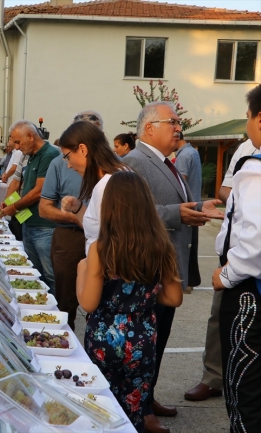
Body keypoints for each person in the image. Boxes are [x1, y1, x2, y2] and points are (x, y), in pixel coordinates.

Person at [122, 101, 223, 433]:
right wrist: (178, 213)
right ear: (150, 127)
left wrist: (197, 206)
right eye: (173, 122)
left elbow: (167, 203)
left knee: (160, 338)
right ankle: (138, 409)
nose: (179, 127)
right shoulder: (134, 162)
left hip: (168, 268)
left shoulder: (167, 162)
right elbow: (133, 213)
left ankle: (147, 397)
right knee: (146, 341)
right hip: (149, 268)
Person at [78, 171, 183, 432]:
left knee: (100, 405)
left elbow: (88, 303)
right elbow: (174, 297)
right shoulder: (161, 246)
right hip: (142, 337)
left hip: (104, 336)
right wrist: (143, 295)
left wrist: (82, 271)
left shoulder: (100, 249)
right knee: (133, 409)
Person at [184, 137, 259, 403]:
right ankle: (215, 377)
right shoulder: (247, 148)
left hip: (247, 258)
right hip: (235, 257)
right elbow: (225, 189)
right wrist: (243, 194)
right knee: (221, 318)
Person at [212, 85, 261, 432]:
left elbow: (254, 242)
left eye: (248, 118)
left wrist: (226, 276)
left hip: (250, 293)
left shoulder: (255, 173)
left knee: (246, 388)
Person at [39, 111, 103, 330]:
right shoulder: (59, 163)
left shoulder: (116, 172)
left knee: (101, 300)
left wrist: (86, 218)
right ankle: (67, 342)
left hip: (103, 241)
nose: (69, 164)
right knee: (66, 298)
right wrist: (78, 217)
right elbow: (44, 209)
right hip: (70, 238)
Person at [0, 120, 59, 291]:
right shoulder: (29, 156)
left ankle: (58, 310)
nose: (16, 147)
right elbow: (19, 184)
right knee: (36, 272)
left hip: (44, 226)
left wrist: (13, 208)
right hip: (30, 223)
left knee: (50, 275)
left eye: (18, 142)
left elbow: (39, 191)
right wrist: (6, 205)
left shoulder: (49, 154)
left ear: (31, 136)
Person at [58, 121, 127, 255]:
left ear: (83, 150)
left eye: (68, 157)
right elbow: (98, 227)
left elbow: (109, 242)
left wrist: (88, 271)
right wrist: (77, 208)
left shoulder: (107, 185)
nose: (69, 166)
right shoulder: (118, 175)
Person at [174, 131, 202, 293]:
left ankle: (186, 281)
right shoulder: (193, 152)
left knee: (184, 247)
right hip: (195, 204)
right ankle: (191, 280)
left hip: (187, 207)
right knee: (192, 245)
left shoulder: (184, 156)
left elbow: (180, 181)